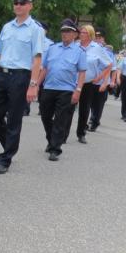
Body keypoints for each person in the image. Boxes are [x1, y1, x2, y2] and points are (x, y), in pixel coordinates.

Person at [0, 0, 44, 174]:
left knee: (13, 118)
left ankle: (5, 158)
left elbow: (37, 58)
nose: (18, 5)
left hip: (21, 77)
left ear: (30, 6)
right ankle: (10, 146)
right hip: (2, 75)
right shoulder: (7, 27)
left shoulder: (35, 29)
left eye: (22, 3)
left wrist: (33, 85)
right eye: (16, 3)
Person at [39, 19, 86, 161]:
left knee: (60, 119)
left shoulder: (79, 51)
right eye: (63, 31)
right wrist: (35, 85)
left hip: (66, 90)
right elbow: (45, 68)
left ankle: (55, 148)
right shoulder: (52, 48)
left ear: (75, 34)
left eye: (68, 31)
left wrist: (78, 90)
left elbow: (82, 72)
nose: (64, 34)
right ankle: (51, 139)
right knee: (45, 116)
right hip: (49, 87)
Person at [74, 25, 111, 144]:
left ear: (90, 35)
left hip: (88, 83)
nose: (81, 34)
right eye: (81, 32)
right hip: (72, 82)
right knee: (68, 108)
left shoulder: (97, 48)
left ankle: (81, 133)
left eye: (84, 33)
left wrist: (100, 77)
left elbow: (109, 65)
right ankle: (63, 133)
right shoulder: (75, 46)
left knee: (84, 109)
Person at [87, 27, 113, 132]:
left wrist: (105, 82)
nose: (97, 39)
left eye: (99, 37)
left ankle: (95, 122)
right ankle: (89, 120)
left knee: (98, 105)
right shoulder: (89, 49)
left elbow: (109, 68)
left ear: (103, 39)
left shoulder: (107, 52)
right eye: (96, 37)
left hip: (101, 82)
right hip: (90, 81)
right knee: (89, 103)